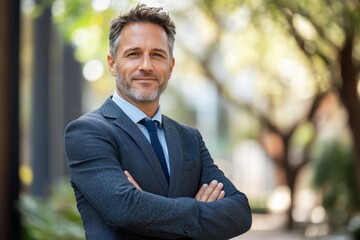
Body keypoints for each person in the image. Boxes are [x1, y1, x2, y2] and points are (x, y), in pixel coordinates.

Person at [64, 3, 252, 240]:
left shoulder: (189, 139)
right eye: (133, 54)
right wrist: (197, 211)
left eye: (157, 55)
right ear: (112, 64)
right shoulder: (87, 132)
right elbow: (125, 210)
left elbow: (240, 213)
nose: (146, 65)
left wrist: (147, 210)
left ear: (170, 67)